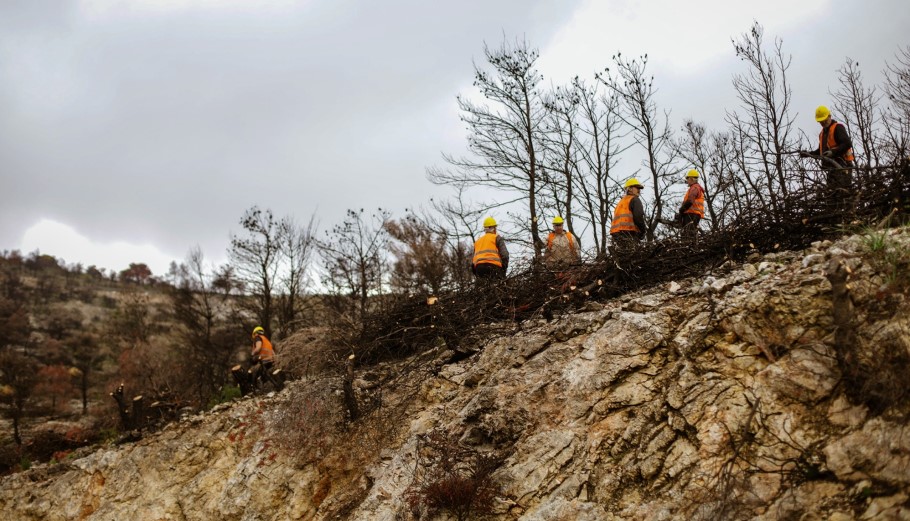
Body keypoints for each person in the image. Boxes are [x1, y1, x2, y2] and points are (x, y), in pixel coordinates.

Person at [800, 105, 855, 212]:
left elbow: (847, 143)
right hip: (832, 169)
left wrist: (833, 152)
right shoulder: (823, 133)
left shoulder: (838, 128)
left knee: (843, 194)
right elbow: (821, 152)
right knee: (832, 195)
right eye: (820, 121)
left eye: (824, 120)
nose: (823, 123)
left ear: (829, 116)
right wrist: (808, 154)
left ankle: (847, 217)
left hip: (843, 167)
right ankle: (835, 219)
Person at [610, 178, 647, 254]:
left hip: (616, 233)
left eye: (639, 188)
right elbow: (638, 216)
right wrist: (643, 230)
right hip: (629, 232)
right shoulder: (635, 199)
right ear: (629, 189)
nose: (639, 190)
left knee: (624, 255)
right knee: (634, 255)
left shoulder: (621, 202)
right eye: (637, 188)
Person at [249, 326, 281, 391]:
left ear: (255, 333)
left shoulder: (257, 338)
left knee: (252, 373)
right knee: (265, 375)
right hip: (270, 361)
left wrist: (252, 353)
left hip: (263, 361)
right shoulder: (267, 340)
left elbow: (258, 348)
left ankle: (254, 389)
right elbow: (273, 352)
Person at [677, 169, 705, 240]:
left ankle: (689, 248)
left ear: (692, 179)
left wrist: (682, 210)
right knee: (689, 233)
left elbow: (690, 200)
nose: (687, 181)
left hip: (691, 215)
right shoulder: (696, 188)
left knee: (688, 236)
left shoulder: (695, 188)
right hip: (693, 215)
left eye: (688, 179)